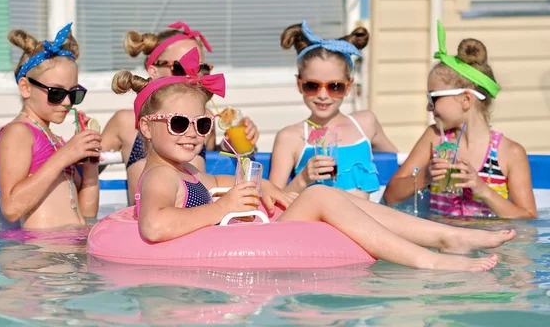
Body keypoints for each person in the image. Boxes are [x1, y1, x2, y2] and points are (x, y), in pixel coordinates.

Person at [114, 46, 515, 272]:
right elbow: (155, 225)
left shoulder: (179, 172)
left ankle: (446, 235)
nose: (193, 134)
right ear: (146, 128)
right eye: (180, 122)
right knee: (321, 195)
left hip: (251, 236)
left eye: (202, 125)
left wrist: (264, 187)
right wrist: (222, 206)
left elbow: (208, 186)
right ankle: (429, 259)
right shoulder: (158, 178)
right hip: (241, 250)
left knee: (346, 199)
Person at [383, 21, 537, 219]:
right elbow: (391, 196)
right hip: (443, 242)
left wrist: (483, 190)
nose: (429, 106)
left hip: (489, 244)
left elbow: (528, 218)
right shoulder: (435, 138)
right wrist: (425, 176)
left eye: (433, 98)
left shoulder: (510, 153)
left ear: (465, 99)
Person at [101, 22, 258, 204]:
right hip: (147, 221)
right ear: (153, 71)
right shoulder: (126, 121)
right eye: (182, 68)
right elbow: (85, 170)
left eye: (199, 69)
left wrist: (236, 145)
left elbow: (215, 169)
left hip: (198, 218)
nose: (192, 77)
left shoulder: (202, 119)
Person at [0, 23, 101, 229]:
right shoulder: (19, 132)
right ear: (25, 88)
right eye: (56, 93)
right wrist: (65, 156)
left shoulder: (57, 142)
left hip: (68, 248)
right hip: (41, 254)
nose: (67, 102)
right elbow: (12, 209)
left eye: (74, 93)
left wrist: (90, 163)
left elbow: (87, 214)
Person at [269, 20, 397, 198]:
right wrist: (303, 179)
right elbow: (271, 202)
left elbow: (397, 165)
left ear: (349, 85)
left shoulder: (366, 124)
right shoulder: (290, 137)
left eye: (334, 87)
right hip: (316, 225)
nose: (323, 95)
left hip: (363, 223)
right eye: (312, 86)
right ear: (299, 84)